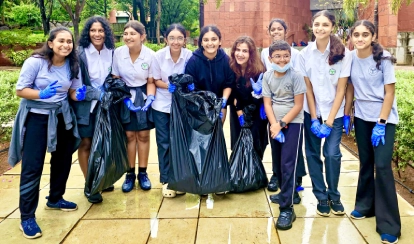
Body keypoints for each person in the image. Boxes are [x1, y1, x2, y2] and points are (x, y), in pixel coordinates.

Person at [8, 27, 85, 239]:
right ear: (50, 43)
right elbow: (20, 89)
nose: (66, 45)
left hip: (61, 116)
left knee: (62, 159)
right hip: (37, 118)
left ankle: (55, 198)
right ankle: (27, 217)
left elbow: (72, 91)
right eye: (61, 41)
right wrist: (41, 94)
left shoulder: (72, 64)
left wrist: (78, 94)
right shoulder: (35, 62)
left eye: (69, 41)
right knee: (33, 166)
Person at [346, 20, 400, 244]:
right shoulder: (349, 57)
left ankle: (389, 224)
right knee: (366, 162)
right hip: (361, 117)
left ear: (373, 36)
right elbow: (348, 86)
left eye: (365, 34)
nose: (360, 38)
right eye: (356, 34)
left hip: (382, 120)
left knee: (382, 166)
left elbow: (389, 93)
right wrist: (348, 113)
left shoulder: (384, 58)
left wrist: (381, 122)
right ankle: (365, 205)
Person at [298, 10, 351, 217]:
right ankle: (321, 196)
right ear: (312, 26)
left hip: (334, 114)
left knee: (332, 154)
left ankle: (334, 195)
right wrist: (313, 118)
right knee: (312, 154)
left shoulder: (342, 54)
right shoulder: (304, 54)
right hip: (311, 112)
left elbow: (342, 89)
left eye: (325, 25)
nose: (320, 28)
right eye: (317, 24)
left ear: (332, 27)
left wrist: (329, 122)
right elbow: (307, 89)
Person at [262, 40, 306, 230]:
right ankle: (283, 193)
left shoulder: (295, 76)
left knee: (289, 164)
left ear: (290, 56)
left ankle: (287, 208)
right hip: (274, 125)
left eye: (286, 56)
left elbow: (298, 105)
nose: (282, 60)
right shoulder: (267, 76)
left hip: (292, 124)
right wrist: (273, 124)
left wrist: (281, 124)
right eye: (278, 56)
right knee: (278, 164)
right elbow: (267, 103)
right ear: (270, 58)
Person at [73, 16, 116, 203]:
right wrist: (94, 94)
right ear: (87, 33)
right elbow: (76, 84)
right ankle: (89, 184)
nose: (97, 34)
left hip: (106, 105)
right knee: (86, 143)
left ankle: (101, 179)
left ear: (106, 32)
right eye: (93, 30)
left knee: (103, 143)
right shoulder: (80, 53)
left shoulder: (111, 52)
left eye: (100, 30)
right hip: (85, 106)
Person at [111, 20, 155, 193]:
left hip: (143, 94)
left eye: (132, 34)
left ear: (142, 36)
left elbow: (151, 81)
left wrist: (150, 98)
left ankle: (143, 173)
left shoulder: (150, 55)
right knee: (129, 135)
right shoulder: (118, 53)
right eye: (126, 33)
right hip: (124, 95)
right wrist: (125, 98)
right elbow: (115, 78)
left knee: (143, 135)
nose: (128, 37)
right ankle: (129, 174)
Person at [151, 23, 193, 198]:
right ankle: (167, 180)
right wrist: (168, 85)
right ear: (166, 39)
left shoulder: (189, 56)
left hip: (182, 106)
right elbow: (154, 79)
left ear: (185, 40)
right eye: (172, 38)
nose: (176, 42)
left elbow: (192, 78)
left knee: (181, 142)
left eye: (180, 38)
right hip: (162, 105)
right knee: (164, 143)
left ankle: (180, 178)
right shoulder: (158, 56)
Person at [228, 36, 268, 160]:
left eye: (244, 51)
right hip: (237, 113)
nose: (240, 54)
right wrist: (240, 113)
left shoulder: (259, 70)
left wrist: (259, 96)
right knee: (238, 145)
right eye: (238, 50)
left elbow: (265, 94)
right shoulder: (231, 69)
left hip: (256, 114)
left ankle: (255, 177)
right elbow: (232, 95)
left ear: (251, 53)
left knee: (256, 145)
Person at [185, 25, 234, 123]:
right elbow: (191, 87)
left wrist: (223, 101)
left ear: (219, 41)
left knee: (217, 134)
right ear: (201, 42)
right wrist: (206, 107)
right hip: (200, 106)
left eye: (214, 39)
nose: (210, 43)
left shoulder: (226, 60)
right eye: (206, 40)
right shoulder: (193, 61)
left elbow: (228, 83)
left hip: (220, 105)